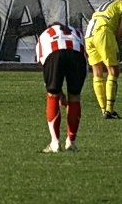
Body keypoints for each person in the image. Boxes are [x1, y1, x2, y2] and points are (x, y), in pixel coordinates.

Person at [36, 22, 86, 153]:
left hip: (55, 54)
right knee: (75, 97)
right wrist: (62, 93)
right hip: (77, 55)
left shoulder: (45, 34)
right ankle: (71, 142)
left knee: (52, 95)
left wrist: (57, 92)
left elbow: (42, 61)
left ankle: (55, 143)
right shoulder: (76, 32)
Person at [85, 0, 122, 119]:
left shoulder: (105, 6)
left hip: (89, 35)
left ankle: (104, 110)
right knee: (113, 71)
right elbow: (121, 27)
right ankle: (109, 110)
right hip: (103, 33)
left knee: (97, 72)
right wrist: (118, 43)